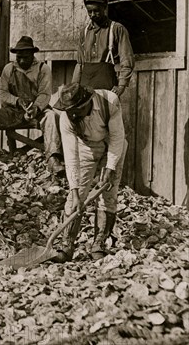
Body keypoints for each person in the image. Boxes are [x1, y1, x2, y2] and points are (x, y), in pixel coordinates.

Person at [0, 36, 65, 175]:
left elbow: (45, 94)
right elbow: (3, 93)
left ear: (32, 55)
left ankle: (53, 158)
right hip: (14, 112)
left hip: (36, 112)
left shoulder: (43, 68)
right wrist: (16, 100)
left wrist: (36, 107)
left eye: (25, 57)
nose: (22, 60)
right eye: (19, 57)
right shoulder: (9, 69)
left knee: (52, 117)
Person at [51, 82, 127, 263]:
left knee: (108, 194)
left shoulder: (109, 102)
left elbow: (117, 138)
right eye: (69, 111)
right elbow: (71, 156)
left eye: (76, 110)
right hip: (86, 147)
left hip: (112, 145)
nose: (73, 114)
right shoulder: (66, 118)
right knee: (74, 200)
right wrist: (75, 191)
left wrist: (110, 168)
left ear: (87, 102)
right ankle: (66, 246)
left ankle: (99, 244)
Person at [72, 0, 134, 96]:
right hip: (85, 83)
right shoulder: (84, 32)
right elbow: (80, 64)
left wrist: (121, 86)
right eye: (89, 11)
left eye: (96, 11)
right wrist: (74, 86)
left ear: (104, 8)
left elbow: (127, 60)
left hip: (106, 82)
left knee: (105, 111)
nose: (92, 15)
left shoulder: (117, 29)